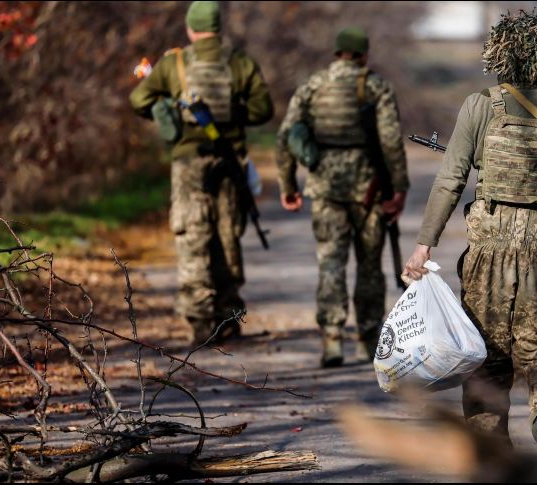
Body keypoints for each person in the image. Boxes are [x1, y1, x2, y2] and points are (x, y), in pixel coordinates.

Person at [402, 11, 537, 465]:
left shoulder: (479, 105)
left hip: (488, 253)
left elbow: (450, 181)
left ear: (501, 55)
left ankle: (491, 457)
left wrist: (424, 246)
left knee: (486, 357)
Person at [130, 1, 273, 344]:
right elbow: (262, 110)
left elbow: (139, 100)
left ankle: (199, 321)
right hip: (230, 161)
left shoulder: (174, 63)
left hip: (189, 163)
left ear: (191, 28)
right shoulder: (239, 62)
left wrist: (168, 109)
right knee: (227, 236)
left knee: (193, 236)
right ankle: (229, 317)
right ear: (218, 27)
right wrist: (233, 112)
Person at [276, 27, 409, 368]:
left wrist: (288, 185)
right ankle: (367, 339)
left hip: (325, 189)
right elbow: (391, 141)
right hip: (369, 190)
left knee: (330, 262)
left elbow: (287, 135)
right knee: (369, 265)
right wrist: (399, 188)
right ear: (363, 54)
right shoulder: (376, 86)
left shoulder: (312, 85)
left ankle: (332, 340)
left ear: (337, 53)